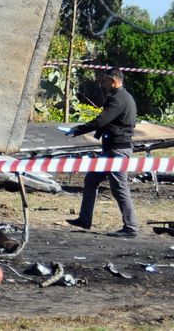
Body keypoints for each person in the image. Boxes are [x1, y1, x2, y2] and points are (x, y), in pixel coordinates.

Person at [66, 68, 140, 238]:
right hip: (111, 149)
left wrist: (77, 130)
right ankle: (84, 219)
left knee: (119, 188)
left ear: (113, 81)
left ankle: (131, 227)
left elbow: (101, 120)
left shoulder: (119, 99)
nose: (102, 84)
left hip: (117, 150)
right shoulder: (120, 97)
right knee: (91, 180)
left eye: (105, 81)